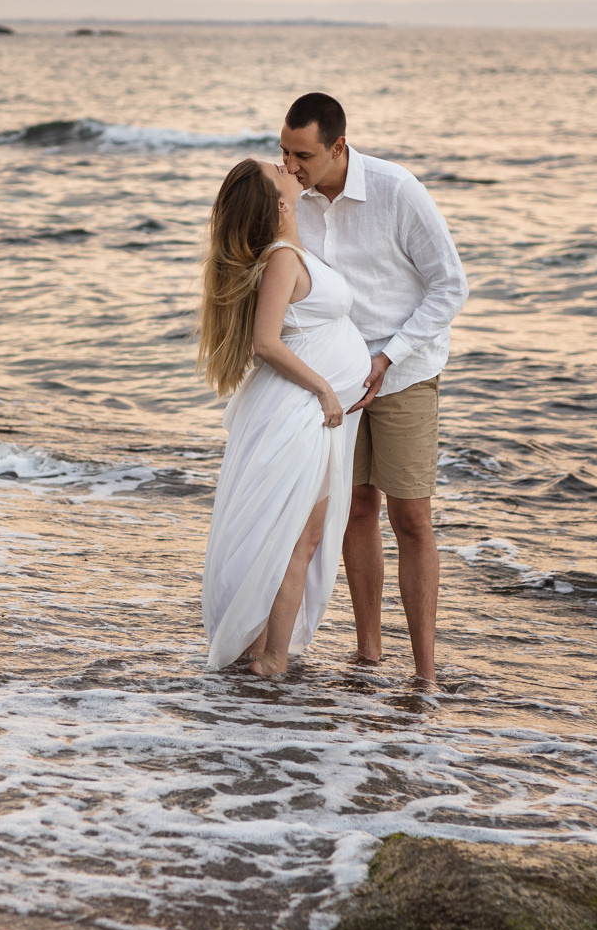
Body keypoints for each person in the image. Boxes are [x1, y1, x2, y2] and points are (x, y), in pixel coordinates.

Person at [281, 92, 468, 685]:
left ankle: (426, 672)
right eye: (283, 151)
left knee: (410, 515)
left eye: (303, 154)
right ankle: (368, 651)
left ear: (339, 147)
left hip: (403, 369)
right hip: (333, 378)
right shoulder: (292, 198)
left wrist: (389, 356)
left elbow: (450, 285)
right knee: (356, 508)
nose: (290, 165)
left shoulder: (395, 189)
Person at [198, 158, 373, 677]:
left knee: (303, 534)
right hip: (298, 410)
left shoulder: (292, 251)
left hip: (306, 411)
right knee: (294, 534)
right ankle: (268, 656)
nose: (286, 165)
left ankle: (267, 649)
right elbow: (266, 342)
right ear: (278, 203)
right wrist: (324, 388)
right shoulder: (280, 258)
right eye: (278, 168)